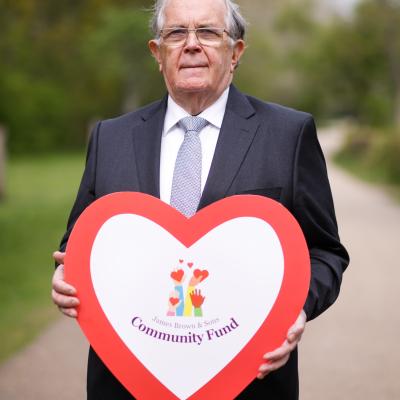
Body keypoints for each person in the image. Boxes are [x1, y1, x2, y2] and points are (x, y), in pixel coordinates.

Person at [51, 0, 349, 398]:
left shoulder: (288, 135)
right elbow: (78, 243)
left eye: (208, 32)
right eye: (176, 33)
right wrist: (65, 275)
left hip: (249, 380)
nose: (191, 44)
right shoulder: (111, 138)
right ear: (158, 53)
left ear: (236, 52)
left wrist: (296, 307)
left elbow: (325, 252)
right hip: (125, 380)